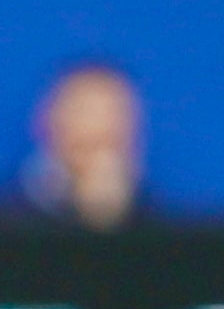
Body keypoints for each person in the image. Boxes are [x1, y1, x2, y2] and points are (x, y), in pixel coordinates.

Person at [8, 63, 145, 229]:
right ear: (46, 120)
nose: (97, 130)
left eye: (113, 113)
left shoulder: (165, 233)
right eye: (84, 110)